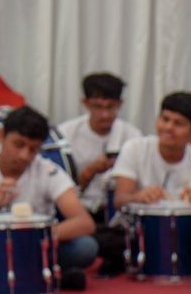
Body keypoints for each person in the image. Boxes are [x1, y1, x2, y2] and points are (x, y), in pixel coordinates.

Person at [0, 106, 98, 289]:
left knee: (85, 247)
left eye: (33, 149)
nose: (24, 155)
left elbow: (84, 223)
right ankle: (39, 273)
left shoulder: (48, 171)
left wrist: (30, 236)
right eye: (18, 145)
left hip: (33, 247)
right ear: (1, 136)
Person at [110, 92, 191, 206]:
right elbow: (120, 200)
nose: (168, 127)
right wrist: (138, 197)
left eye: (178, 124)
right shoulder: (134, 148)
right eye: (165, 119)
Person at [58, 72, 141, 221]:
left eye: (111, 107)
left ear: (120, 103)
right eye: (97, 107)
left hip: (120, 215)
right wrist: (91, 171)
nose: (105, 115)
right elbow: (57, 190)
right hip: (79, 211)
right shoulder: (65, 135)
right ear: (85, 103)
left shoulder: (133, 137)